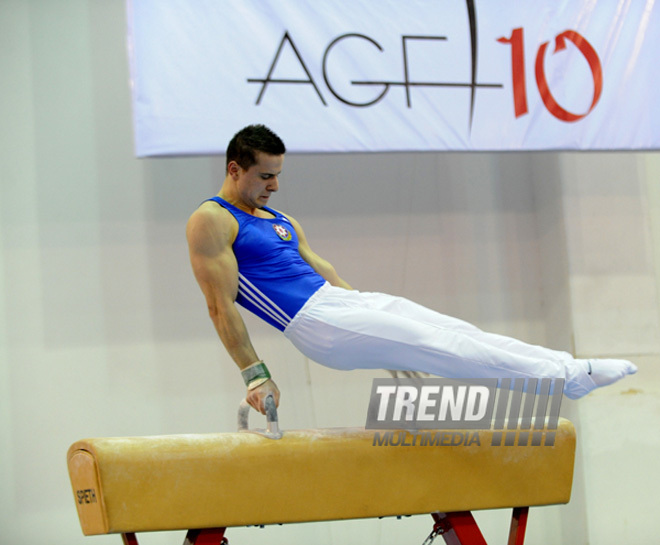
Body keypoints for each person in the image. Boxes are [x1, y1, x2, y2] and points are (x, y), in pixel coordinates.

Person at [186, 124, 637, 414]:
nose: (276, 185)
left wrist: (381, 332)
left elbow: (324, 270)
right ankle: (564, 381)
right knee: (437, 342)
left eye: (278, 175)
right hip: (315, 324)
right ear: (234, 169)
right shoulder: (213, 219)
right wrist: (256, 375)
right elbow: (219, 306)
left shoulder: (280, 219)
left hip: (342, 305)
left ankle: (566, 367)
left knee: (455, 331)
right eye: (266, 176)